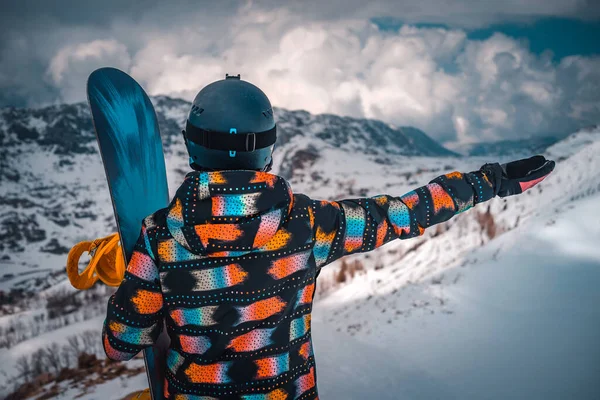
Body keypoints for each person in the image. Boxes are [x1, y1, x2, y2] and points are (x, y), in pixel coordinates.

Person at [102, 74, 555, 399]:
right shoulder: (308, 224)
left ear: (191, 143)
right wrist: (492, 181)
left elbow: (119, 345)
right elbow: (404, 213)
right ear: (269, 146)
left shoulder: (160, 237)